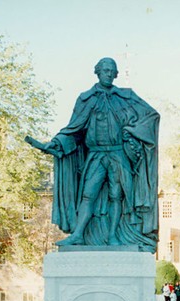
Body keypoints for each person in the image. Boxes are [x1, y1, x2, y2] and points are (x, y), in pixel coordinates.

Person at [26, 57, 160, 253]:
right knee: (88, 195)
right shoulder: (86, 99)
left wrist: (132, 130)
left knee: (116, 196)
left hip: (118, 155)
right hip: (96, 155)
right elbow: (74, 129)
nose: (108, 73)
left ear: (116, 74)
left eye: (111, 71)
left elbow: (151, 116)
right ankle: (79, 234)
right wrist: (55, 143)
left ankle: (113, 235)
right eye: (104, 70)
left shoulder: (126, 97)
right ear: (97, 72)